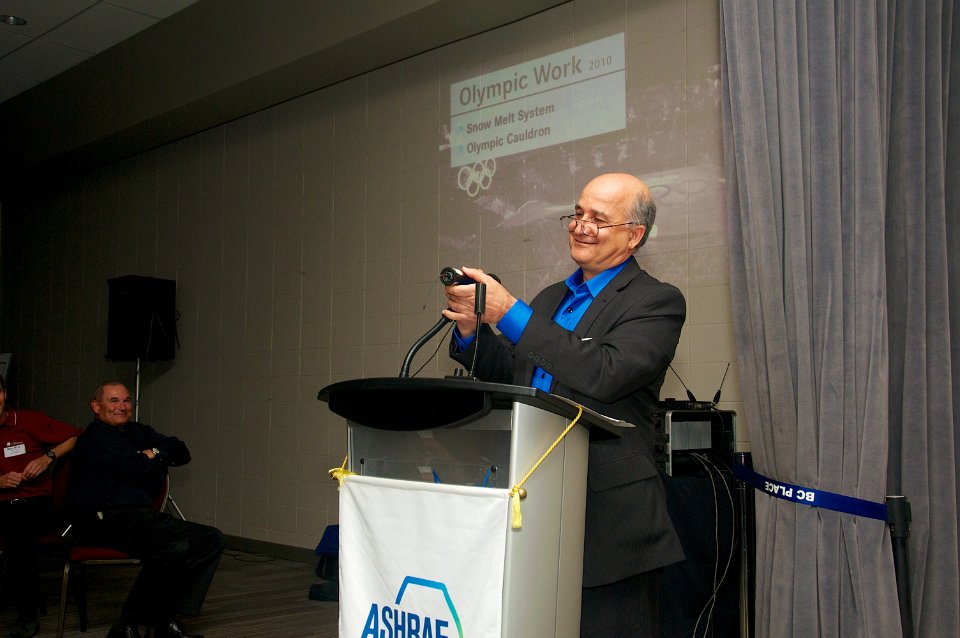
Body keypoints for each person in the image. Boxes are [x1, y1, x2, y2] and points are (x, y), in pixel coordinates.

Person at [444, 173, 685, 638]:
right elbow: (517, 377)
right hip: (534, 501)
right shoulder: (553, 297)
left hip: (609, 522)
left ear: (634, 235)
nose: (581, 226)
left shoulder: (657, 301)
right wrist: (476, 330)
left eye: (598, 219)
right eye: (577, 214)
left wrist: (509, 311)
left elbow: (602, 373)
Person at [63, 382, 224, 638]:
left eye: (126, 401)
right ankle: (128, 623)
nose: (122, 407)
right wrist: (148, 458)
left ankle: (164, 618)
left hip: (139, 517)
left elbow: (181, 450)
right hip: (100, 519)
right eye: (114, 401)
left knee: (210, 538)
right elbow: (134, 467)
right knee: (173, 546)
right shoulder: (93, 438)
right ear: (96, 406)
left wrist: (153, 452)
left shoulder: (138, 431)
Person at [0, 373, 82, 638]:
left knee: (19, 534)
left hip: (34, 502)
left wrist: (48, 457)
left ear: (4, 394)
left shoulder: (27, 420)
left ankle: (27, 615)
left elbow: (77, 437)